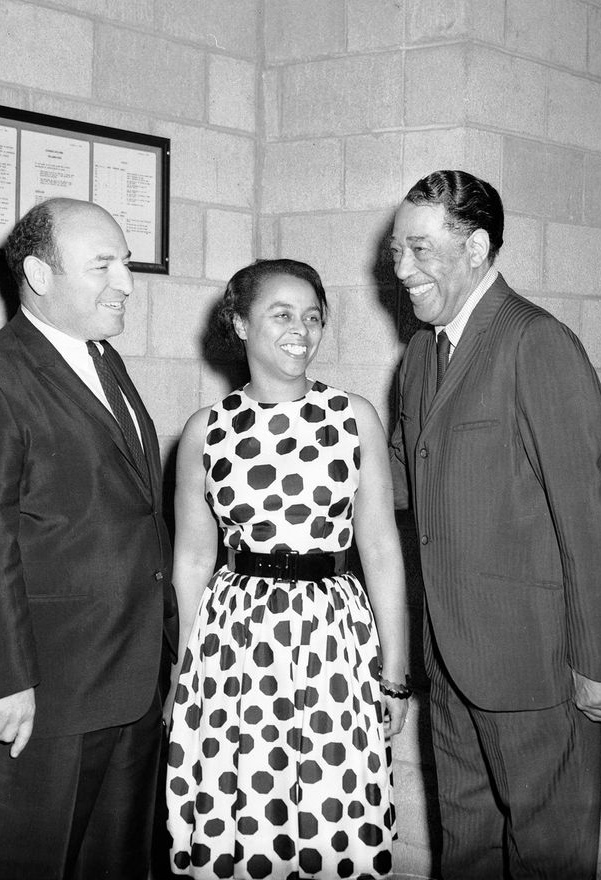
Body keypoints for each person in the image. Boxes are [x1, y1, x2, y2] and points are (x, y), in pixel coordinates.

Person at [0, 197, 177, 880]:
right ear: (38, 273)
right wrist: (4, 685)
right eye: (103, 265)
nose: (125, 282)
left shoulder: (102, 361)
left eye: (124, 262)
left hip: (123, 689)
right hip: (35, 706)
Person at [389, 170, 601, 879]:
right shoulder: (418, 356)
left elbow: (588, 514)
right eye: (396, 251)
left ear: (476, 246)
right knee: (467, 851)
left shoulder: (535, 342)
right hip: (451, 663)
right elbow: (401, 485)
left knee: (546, 860)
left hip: (534, 669)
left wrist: (593, 660)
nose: (402, 269)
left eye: (419, 249)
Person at [165, 258, 408, 880]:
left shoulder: (353, 417)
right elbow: (192, 559)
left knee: (337, 810)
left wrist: (396, 673)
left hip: (334, 641)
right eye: (281, 314)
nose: (301, 329)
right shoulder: (205, 431)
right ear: (240, 324)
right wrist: (185, 670)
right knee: (244, 809)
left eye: (312, 317)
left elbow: (380, 546)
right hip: (235, 647)